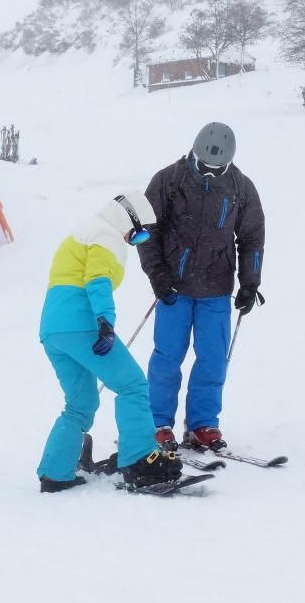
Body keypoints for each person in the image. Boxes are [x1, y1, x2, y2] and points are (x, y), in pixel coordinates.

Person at [37, 193, 183, 493]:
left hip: (53, 330)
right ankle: (141, 461)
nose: (137, 240)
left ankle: (56, 474)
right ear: (126, 217)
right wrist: (105, 321)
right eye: (139, 233)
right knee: (133, 385)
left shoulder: (83, 230)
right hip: (83, 325)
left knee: (80, 403)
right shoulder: (107, 234)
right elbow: (97, 279)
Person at [137, 122, 265, 452]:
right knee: (167, 357)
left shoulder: (241, 187)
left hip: (217, 289)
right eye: (204, 165)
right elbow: (146, 231)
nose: (210, 172)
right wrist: (157, 275)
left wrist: (249, 283)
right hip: (174, 289)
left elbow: (251, 239)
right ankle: (158, 423)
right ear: (194, 152)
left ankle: (203, 425)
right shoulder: (169, 179)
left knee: (212, 358)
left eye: (217, 168)